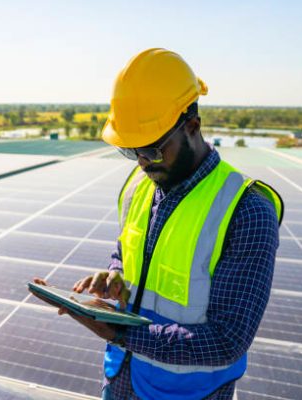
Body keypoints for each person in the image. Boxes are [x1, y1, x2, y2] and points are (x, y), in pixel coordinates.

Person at [31, 48, 283, 400]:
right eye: (131, 151)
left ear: (192, 126)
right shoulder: (138, 186)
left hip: (188, 393)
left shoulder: (246, 210)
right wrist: (114, 278)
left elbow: (228, 341)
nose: (142, 163)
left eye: (151, 150)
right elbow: (126, 254)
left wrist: (121, 334)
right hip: (121, 376)